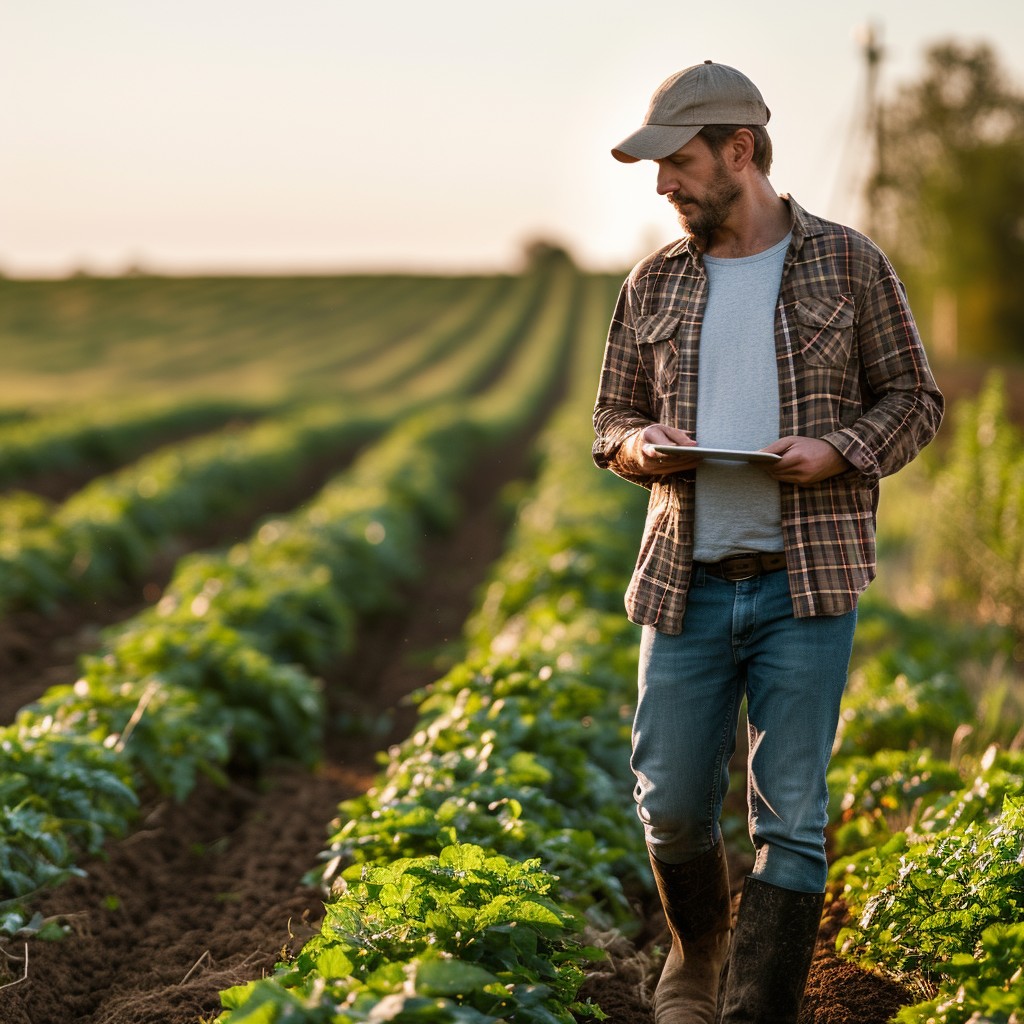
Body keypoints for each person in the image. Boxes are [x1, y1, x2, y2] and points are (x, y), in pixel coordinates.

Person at [592, 60, 943, 1024]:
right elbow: (609, 419)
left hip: (805, 584)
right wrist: (636, 446)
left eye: (680, 163)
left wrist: (840, 449)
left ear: (740, 152)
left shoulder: (849, 263)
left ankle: (754, 1009)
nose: (663, 184)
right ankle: (696, 956)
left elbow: (916, 399)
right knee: (668, 801)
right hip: (686, 583)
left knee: (791, 820)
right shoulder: (652, 282)